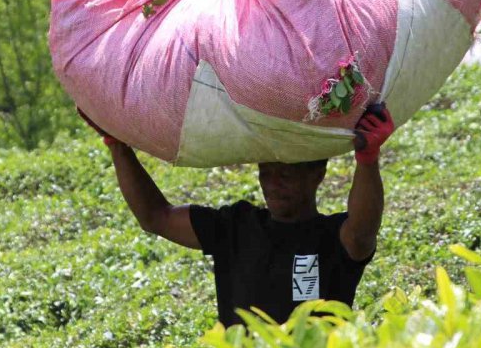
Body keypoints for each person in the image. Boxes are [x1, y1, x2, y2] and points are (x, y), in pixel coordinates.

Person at [79, 105, 394, 327]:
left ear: (318, 174)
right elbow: (155, 217)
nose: (273, 183)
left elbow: (362, 232)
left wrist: (367, 160)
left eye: (285, 173)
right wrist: (117, 146)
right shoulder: (236, 227)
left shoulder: (332, 238)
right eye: (266, 172)